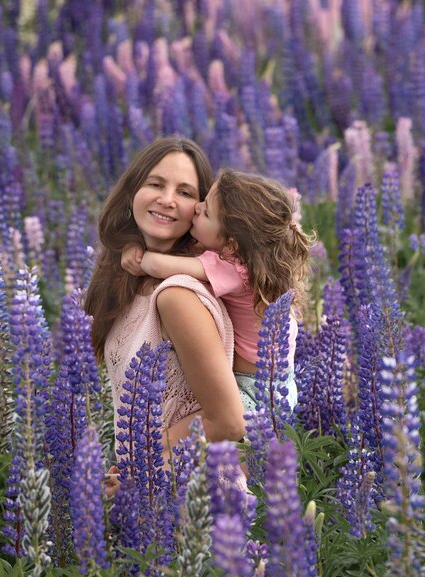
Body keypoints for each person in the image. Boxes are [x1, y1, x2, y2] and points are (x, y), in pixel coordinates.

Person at [83, 138, 247, 477]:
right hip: (154, 489)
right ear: (132, 193)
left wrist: (138, 466)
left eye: (185, 193)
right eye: (156, 184)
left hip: (198, 501)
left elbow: (229, 421)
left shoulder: (177, 295)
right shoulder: (129, 281)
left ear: (201, 212)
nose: (167, 200)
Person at [122, 168, 312, 413]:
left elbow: (159, 265)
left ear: (231, 244)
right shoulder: (255, 265)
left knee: (216, 424)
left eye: (207, 212)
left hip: (254, 393)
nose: (198, 208)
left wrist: (136, 254)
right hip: (284, 384)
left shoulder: (231, 269)